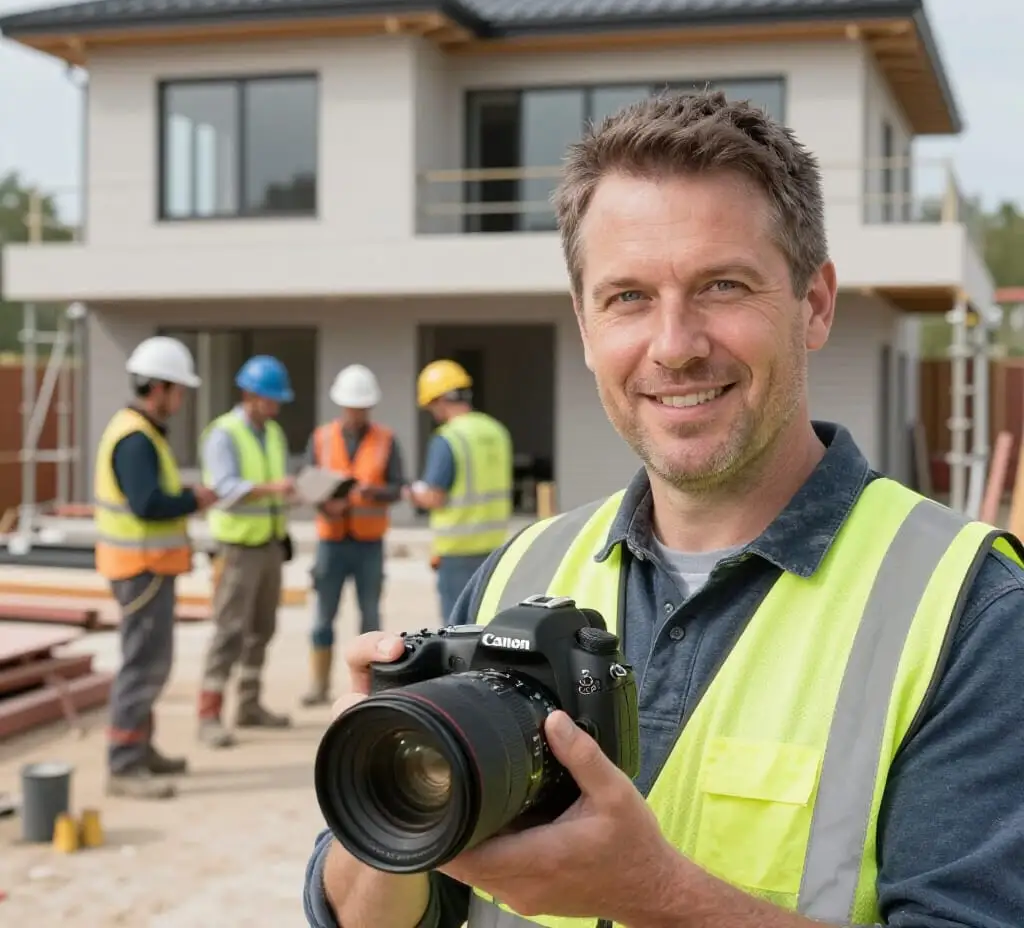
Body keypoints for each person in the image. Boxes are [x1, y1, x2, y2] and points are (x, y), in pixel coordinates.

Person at [303, 90, 1024, 927]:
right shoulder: (519, 571)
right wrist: (385, 803)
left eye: (722, 285)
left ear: (816, 303)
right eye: (628, 297)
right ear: (583, 323)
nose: (675, 345)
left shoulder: (967, 611)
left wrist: (654, 897)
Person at [93, 335, 218, 800]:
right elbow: (147, 504)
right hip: (139, 567)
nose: (182, 400)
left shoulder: (140, 434)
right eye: (179, 390)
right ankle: (124, 764)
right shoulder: (134, 439)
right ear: (159, 388)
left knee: (150, 661)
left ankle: (140, 748)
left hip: (146, 565)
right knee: (143, 665)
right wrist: (194, 499)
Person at [196, 354, 297, 747]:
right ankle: (208, 714)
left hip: (269, 543)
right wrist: (275, 490)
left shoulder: (272, 434)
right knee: (229, 632)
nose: (276, 407)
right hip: (236, 547)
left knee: (262, 629)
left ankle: (249, 705)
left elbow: (269, 484)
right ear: (250, 395)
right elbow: (224, 488)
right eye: (271, 399)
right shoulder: (223, 434)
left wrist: (290, 495)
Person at [300, 363, 406, 707]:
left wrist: (368, 492)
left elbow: (396, 487)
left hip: (368, 543)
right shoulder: (321, 438)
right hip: (331, 541)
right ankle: (318, 685)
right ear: (341, 405)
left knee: (371, 617)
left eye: (362, 408)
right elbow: (307, 481)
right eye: (352, 407)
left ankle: (374, 682)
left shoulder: (386, 440)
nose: (357, 413)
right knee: (323, 616)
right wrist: (323, 505)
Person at [405, 359, 513, 621]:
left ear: (441, 400)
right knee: (488, 623)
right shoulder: (496, 430)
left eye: (432, 405)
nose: (433, 412)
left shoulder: (449, 437)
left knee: (457, 630)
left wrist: (411, 494)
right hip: (495, 546)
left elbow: (435, 496)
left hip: (457, 551)